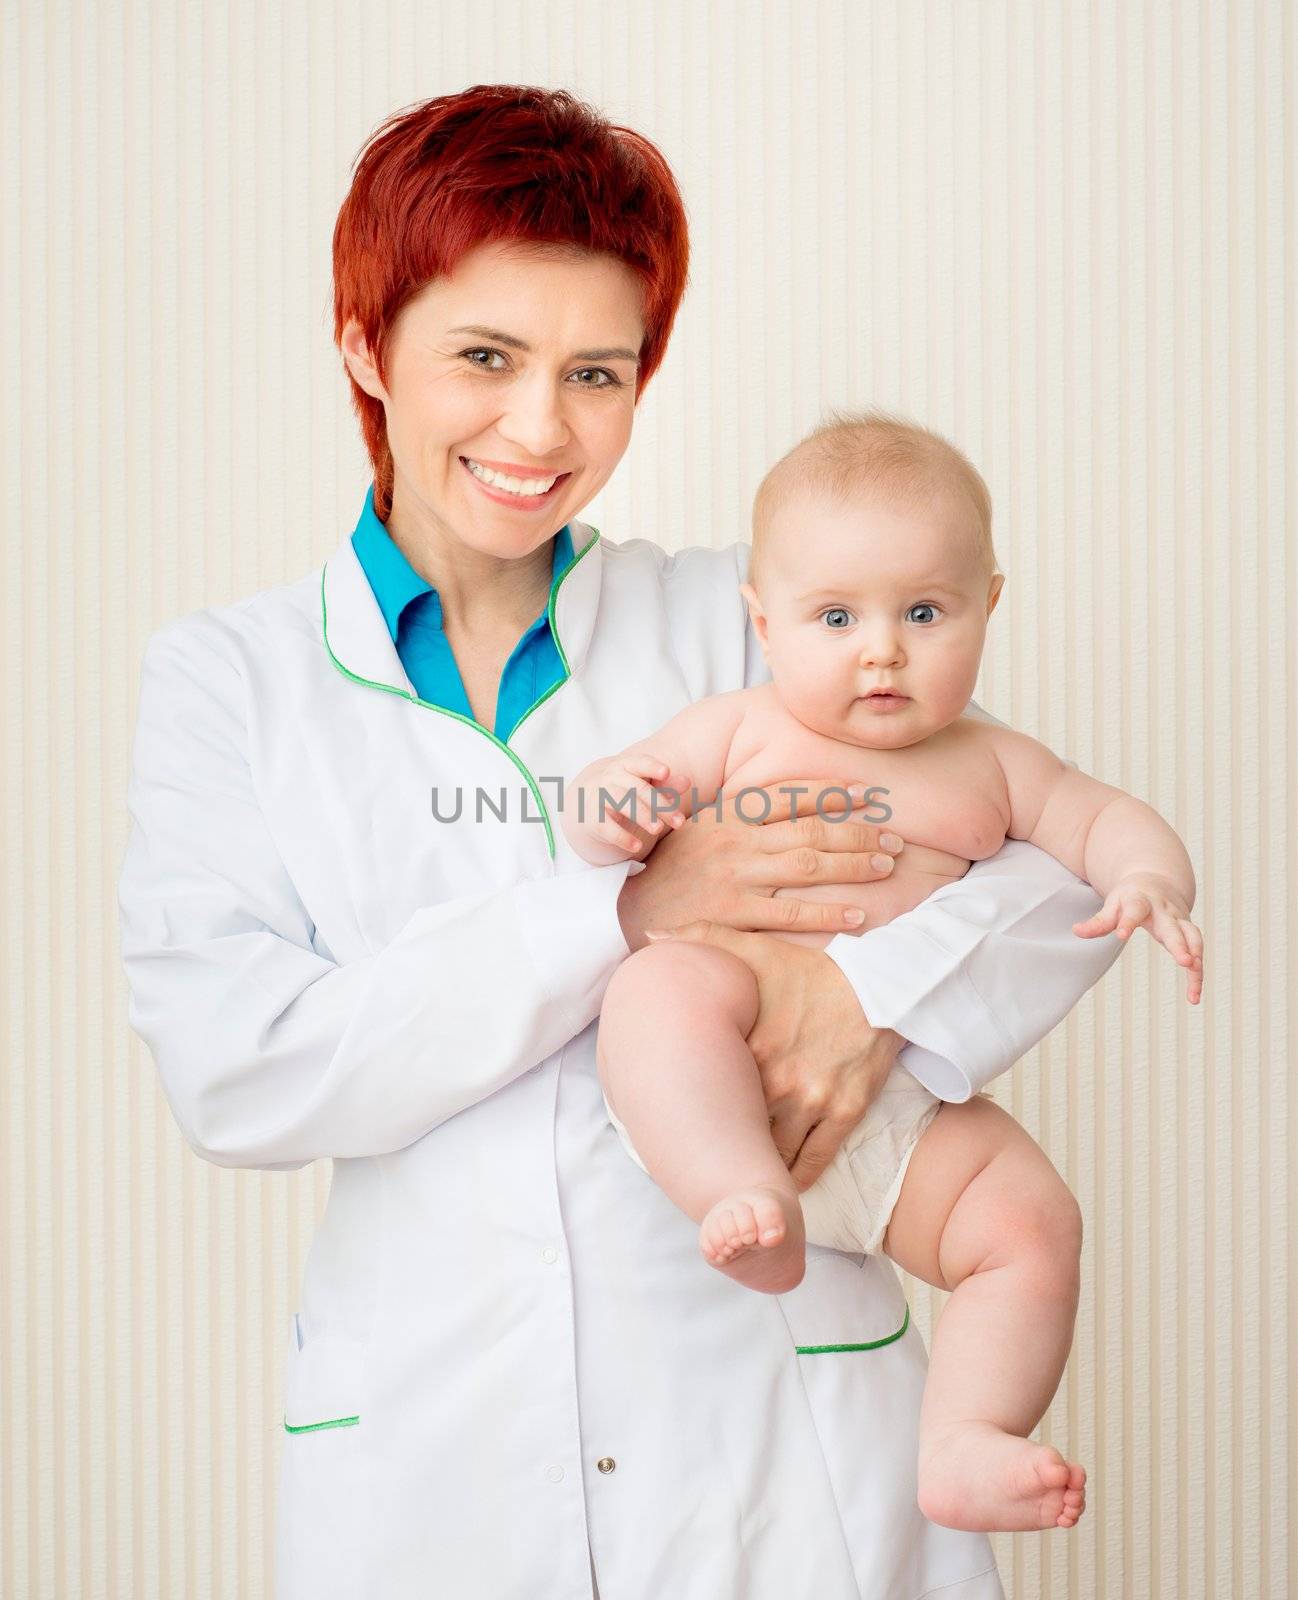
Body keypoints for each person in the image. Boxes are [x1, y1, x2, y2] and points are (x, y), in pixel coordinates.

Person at [117, 86, 1124, 1598]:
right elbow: (241, 1064)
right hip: (435, 1456)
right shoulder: (228, 682)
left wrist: (880, 1004)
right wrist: (631, 916)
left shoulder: (749, 610)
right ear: (361, 347)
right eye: (485, 358)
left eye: (597, 371)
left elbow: (1040, 853)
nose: (542, 428)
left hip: (783, 1440)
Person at [566, 410, 1204, 1537]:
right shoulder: (741, 726)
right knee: (655, 993)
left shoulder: (995, 763)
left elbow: (1098, 817)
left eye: (922, 612)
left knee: (1030, 1224)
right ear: (762, 623)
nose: (881, 650)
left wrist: (1150, 876)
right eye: (834, 616)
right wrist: (621, 804)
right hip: (730, 1066)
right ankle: (734, 1187)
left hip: (898, 1106)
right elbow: (616, 795)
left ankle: (961, 1439)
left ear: (987, 607)